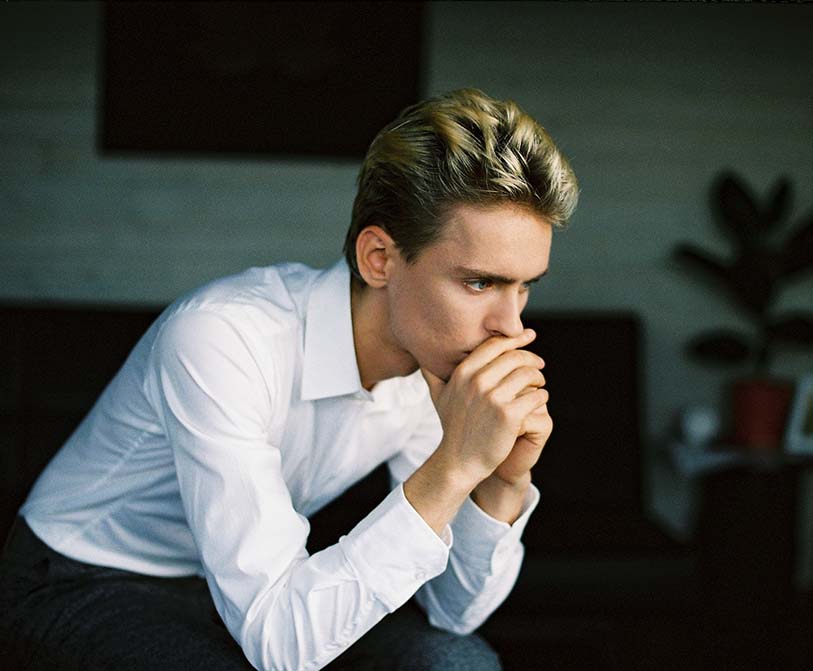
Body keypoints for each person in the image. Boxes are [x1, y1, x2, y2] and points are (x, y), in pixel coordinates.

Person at [0, 88, 578, 671]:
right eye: (481, 283)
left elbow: (452, 612)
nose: (512, 328)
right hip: (80, 577)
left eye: (525, 286)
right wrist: (454, 464)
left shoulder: (439, 363)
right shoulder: (222, 337)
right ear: (379, 258)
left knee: (459, 663)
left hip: (250, 587)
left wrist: (501, 481)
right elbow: (281, 646)